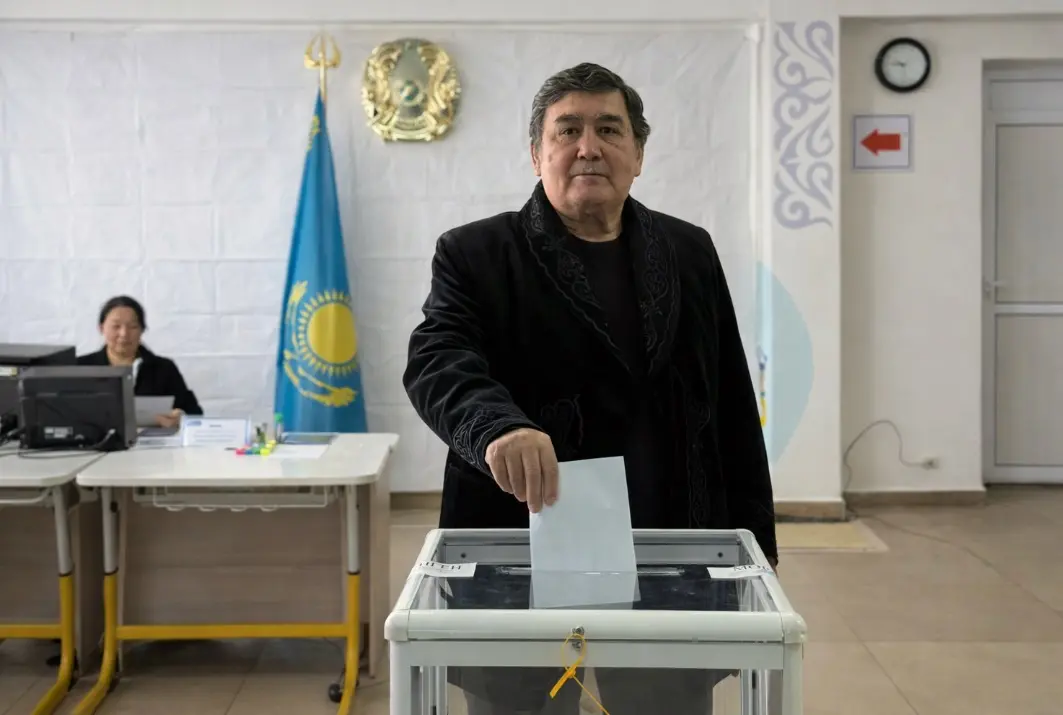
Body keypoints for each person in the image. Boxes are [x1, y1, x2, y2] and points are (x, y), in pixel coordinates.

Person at [403, 63, 777, 715]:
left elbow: (731, 405)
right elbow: (437, 357)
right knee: (522, 704)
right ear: (536, 153)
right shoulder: (475, 252)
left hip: (670, 542)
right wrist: (497, 426)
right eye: (567, 130)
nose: (588, 147)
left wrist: (757, 550)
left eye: (609, 129)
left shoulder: (689, 250)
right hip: (524, 538)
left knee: (666, 705)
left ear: (638, 153)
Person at [77, 295, 203, 427]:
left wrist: (180, 418)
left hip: (153, 439)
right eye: (116, 326)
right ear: (101, 328)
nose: (124, 334)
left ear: (142, 330)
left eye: (132, 326)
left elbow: (194, 413)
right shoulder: (80, 368)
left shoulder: (164, 368)